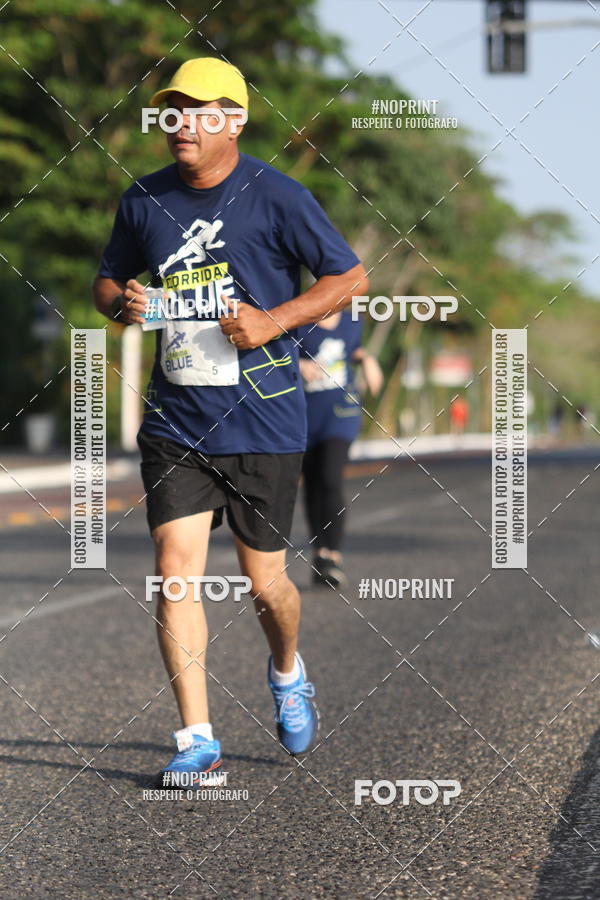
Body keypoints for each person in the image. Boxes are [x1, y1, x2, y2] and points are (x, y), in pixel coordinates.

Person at [92, 58, 368, 785]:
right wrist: (123, 302)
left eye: (200, 110)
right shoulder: (143, 199)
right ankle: (196, 738)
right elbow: (107, 280)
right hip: (177, 421)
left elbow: (350, 277)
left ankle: (285, 670)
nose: (182, 123)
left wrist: (274, 319)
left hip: (265, 422)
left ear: (235, 120)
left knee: (265, 586)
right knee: (173, 572)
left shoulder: (278, 197)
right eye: (173, 111)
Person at [297, 311, 382, 588]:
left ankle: (333, 554)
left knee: (330, 479)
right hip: (305, 416)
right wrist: (298, 364)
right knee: (311, 485)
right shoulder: (300, 318)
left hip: (341, 416)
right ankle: (320, 554)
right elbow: (278, 356)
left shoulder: (353, 320)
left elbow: (356, 351)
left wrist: (367, 360)